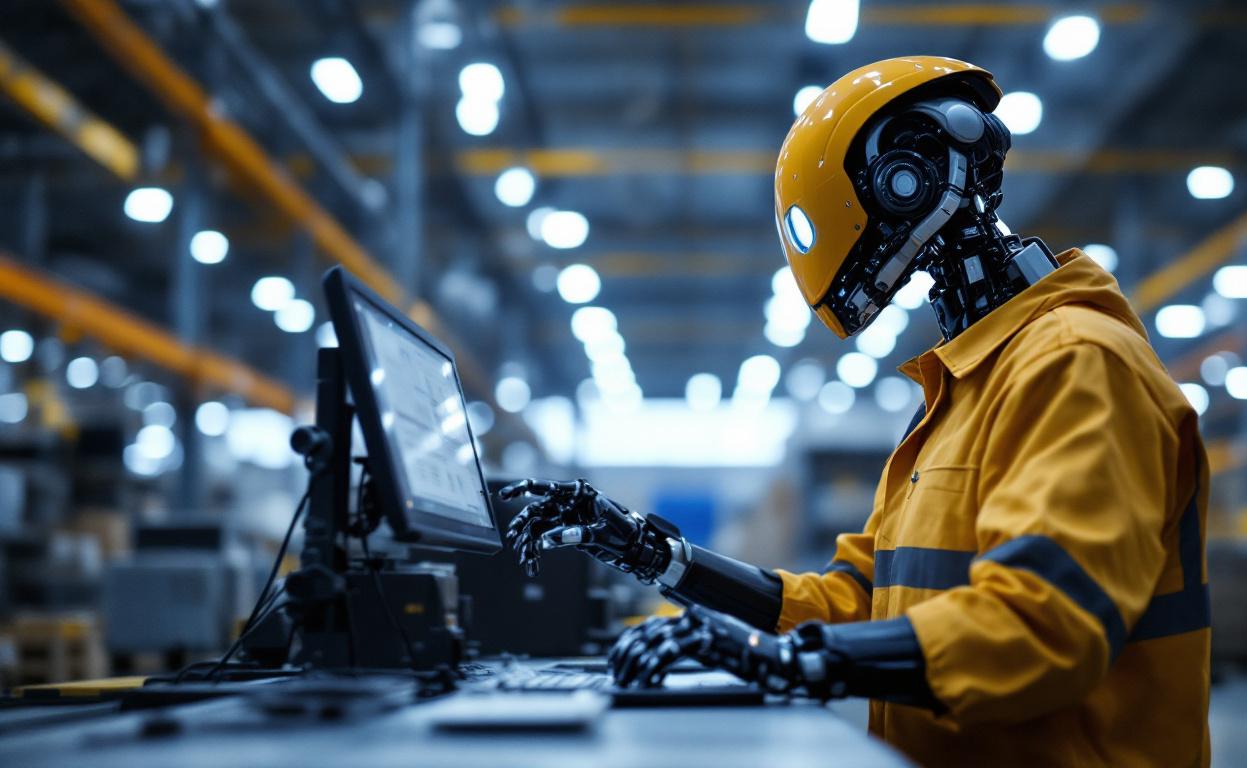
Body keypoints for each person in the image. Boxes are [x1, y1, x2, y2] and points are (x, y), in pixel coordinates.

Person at [502, 56, 1210, 767]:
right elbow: (862, 600)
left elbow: (1043, 624)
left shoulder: (1077, 361)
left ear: (907, 174)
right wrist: (654, 554)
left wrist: (794, 661)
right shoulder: (960, 390)